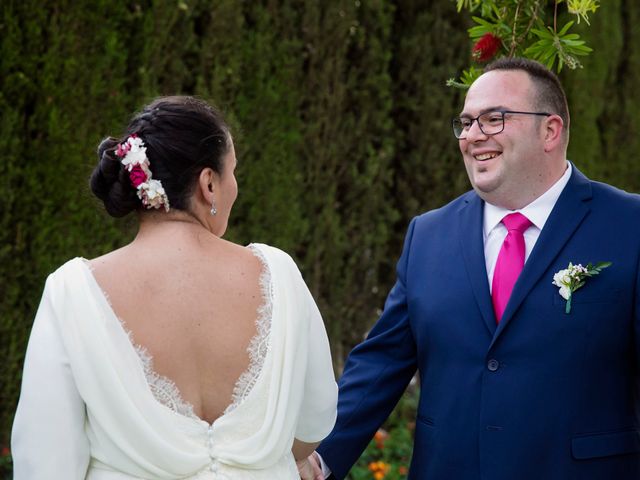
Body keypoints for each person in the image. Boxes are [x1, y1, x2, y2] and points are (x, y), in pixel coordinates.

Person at [299, 57, 640, 479]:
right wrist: (318, 459)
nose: (473, 135)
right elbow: (381, 364)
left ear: (550, 131)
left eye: (494, 119)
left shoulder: (629, 225)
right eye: (466, 122)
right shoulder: (427, 235)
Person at [11, 96, 338, 479]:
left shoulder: (71, 292)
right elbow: (314, 419)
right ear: (209, 184)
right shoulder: (279, 273)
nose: (236, 185)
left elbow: (46, 461)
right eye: (233, 172)